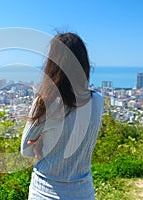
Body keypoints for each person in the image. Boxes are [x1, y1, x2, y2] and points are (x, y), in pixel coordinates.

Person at [21, 32, 104, 200]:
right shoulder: (97, 101)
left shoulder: (45, 103)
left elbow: (26, 150)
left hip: (44, 192)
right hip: (83, 193)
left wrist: (41, 145)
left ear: (52, 64)